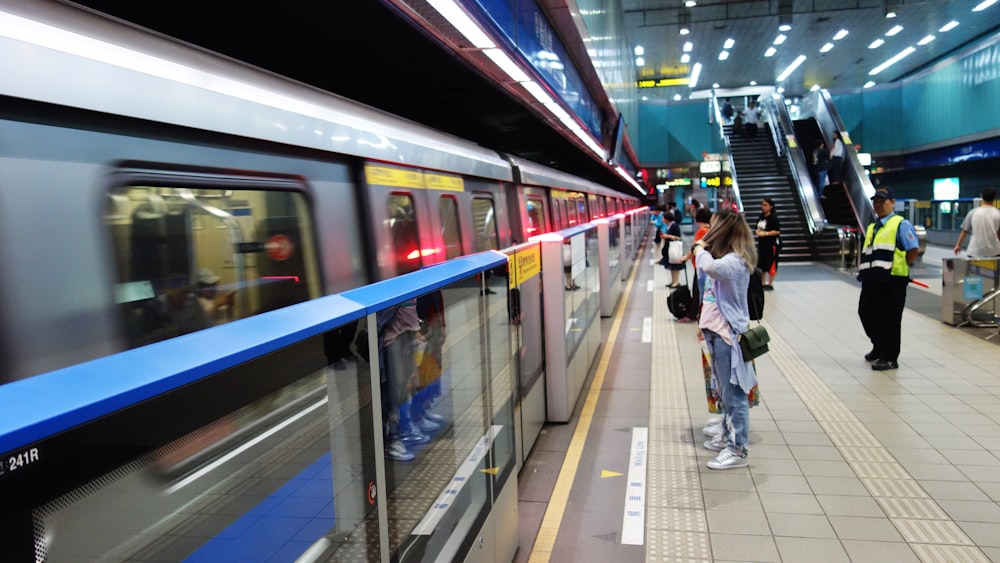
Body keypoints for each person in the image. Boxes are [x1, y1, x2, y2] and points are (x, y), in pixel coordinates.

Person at [692, 209, 758, 469]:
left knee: (733, 394)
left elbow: (708, 266)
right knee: (724, 391)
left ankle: (738, 449)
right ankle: (728, 435)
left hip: (727, 337)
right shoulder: (730, 258)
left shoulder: (735, 261)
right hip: (716, 333)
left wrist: (700, 247)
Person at [858, 187, 920, 371]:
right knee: (866, 313)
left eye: (882, 201)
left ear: (892, 202)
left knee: (890, 319)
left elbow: (913, 249)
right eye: (875, 201)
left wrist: (901, 267)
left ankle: (890, 357)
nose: (878, 205)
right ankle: (879, 346)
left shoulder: (901, 224)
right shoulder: (872, 226)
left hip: (892, 280)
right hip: (872, 278)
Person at [678, 207, 713, 323]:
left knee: (698, 291)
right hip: (710, 265)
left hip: (701, 267)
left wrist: (685, 258)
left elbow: (695, 248)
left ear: (697, 219)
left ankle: (693, 314)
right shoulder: (711, 230)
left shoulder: (701, 231)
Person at [953, 187, 1000, 257]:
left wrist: (958, 245)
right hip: (994, 251)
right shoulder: (998, 213)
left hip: (975, 251)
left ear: (981, 197)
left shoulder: (973, 212)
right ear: (994, 198)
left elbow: (964, 231)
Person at [754, 198, 780, 290]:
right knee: (761, 263)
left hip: (771, 244)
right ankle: (762, 282)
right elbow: (757, 226)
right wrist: (757, 231)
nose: (763, 207)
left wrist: (766, 234)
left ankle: (770, 283)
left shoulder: (773, 218)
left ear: (771, 206)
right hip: (762, 244)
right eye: (762, 205)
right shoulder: (761, 217)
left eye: (765, 205)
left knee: (771, 262)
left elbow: (777, 231)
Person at [660, 210, 684, 288]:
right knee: (672, 266)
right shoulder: (669, 225)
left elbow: (678, 237)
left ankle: (676, 282)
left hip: (674, 249)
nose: (662, 220)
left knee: (675, 266)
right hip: (670, 248)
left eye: (663, 218)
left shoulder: (675, 226)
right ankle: (673, 281)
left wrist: (668, 236)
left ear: (667, 219)